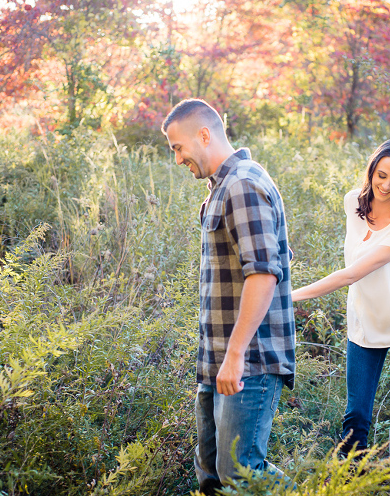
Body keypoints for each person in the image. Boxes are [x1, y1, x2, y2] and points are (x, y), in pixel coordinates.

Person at [161, 99, 295, 494]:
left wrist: (235, 355)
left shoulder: (243, 185)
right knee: (213, 478)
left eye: (178, 147)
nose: (178, 158)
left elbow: (264, 274)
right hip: (216, 359)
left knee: (241, 473)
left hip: (247, 360)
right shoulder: (220, 188)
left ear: (204, 135)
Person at [291, 139, 390, 460]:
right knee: (355, 417)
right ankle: (352, 481)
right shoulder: (351, 202)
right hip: (364, 326)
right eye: (381, 175)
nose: (385, 185)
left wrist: (287, 297)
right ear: (371, 170)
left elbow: (351, 274)